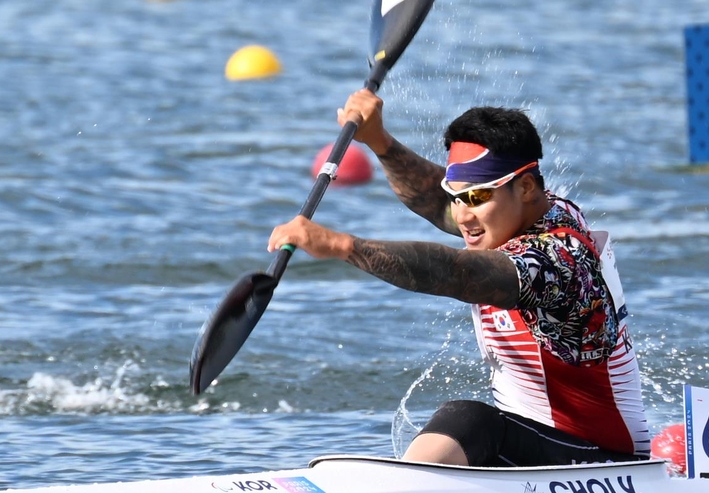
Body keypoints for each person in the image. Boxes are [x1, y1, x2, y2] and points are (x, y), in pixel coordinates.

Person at [267, 89, 650, 467]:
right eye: (458, 196)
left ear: (527, 188)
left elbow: (455, 272)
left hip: (604, 463)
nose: (463, 216)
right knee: (471, 423)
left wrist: (340, 245)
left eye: (479, 197)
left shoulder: (560, 261)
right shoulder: (520, 213)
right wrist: (379, 141)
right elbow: (436, 200)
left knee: (469, 419)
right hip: (532, 452)